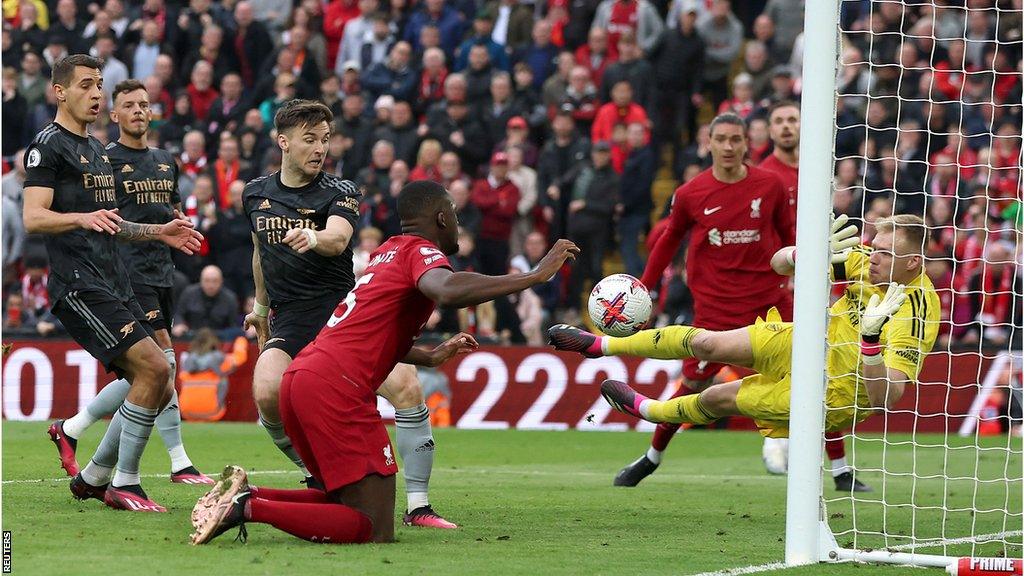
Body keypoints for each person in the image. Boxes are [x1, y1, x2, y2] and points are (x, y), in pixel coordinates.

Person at [190, 180, 580, 545]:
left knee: (346, 501)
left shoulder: (386, 251)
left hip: (304, 376)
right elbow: (445, 291)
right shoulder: (420, 252)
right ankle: (248, 508)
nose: (458, 226)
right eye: (456, 217)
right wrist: (534, 275)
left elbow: (365, 333)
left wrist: (427, 356)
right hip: (334, 387)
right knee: (372, 526)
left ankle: (248, 494)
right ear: (442, 218)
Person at [552, 216, 939, 462]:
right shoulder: (861, 261)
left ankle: (649, 410)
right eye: (874, 248)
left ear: (913, 263)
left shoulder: (916, 310)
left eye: (885, 254)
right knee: (709, 344)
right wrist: (805, 254)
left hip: (837, 390)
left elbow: (885, 397)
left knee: (716, 398)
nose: (873, 258)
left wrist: (870, 341)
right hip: (808, 342)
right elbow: (778, 263)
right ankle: (599, 345)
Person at [242, 99, 456, 528]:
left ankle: (419, 505)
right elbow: (259, 254)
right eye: (310, 140)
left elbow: (339, 240)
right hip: (291, 318)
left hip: (342, 317)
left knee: (408, 389)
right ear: (283, 142)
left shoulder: (340, 191)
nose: (320, 148)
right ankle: (315, 474)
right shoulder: (256, 193)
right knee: (267, 392)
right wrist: (260, 308)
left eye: (325, 139)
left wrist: (313, 236)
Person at [23, 55, 202, 512]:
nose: (96, 94)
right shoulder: (47, 146)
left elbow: (114, 223)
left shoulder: (98, 151)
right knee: (157, 369)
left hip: (115, 281)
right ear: (60, 92)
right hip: (80, 286)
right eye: (86, 85)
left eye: (100, 85)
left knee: (159, 378)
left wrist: (158, 231)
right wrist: (81, 216)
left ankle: (94, 476)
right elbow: (33, 217)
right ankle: (124, 482)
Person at [597, 113, 796, 488]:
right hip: (715, 310)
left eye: (735, 139)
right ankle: (652, 457)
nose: (728, 147)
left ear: (746, 144)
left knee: (803, 378)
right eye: (721, 139)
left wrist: (797, 279)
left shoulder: (769, 186)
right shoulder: (691, 193)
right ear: (709, 143)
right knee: (690, 386)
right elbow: (669, 240)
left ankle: (832, 467)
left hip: (767, 306)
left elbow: (788, 237)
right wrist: (645, 288)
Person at [757, 101, 869, 491]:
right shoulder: (761, 176)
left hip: (817, 282)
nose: (787, 127)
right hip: (777, 280)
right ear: (769, 130)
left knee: (824, 369)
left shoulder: (819, 170)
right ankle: (776, 439)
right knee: (778, 364)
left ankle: (839, 470)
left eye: (793, 119)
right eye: (780, 120)